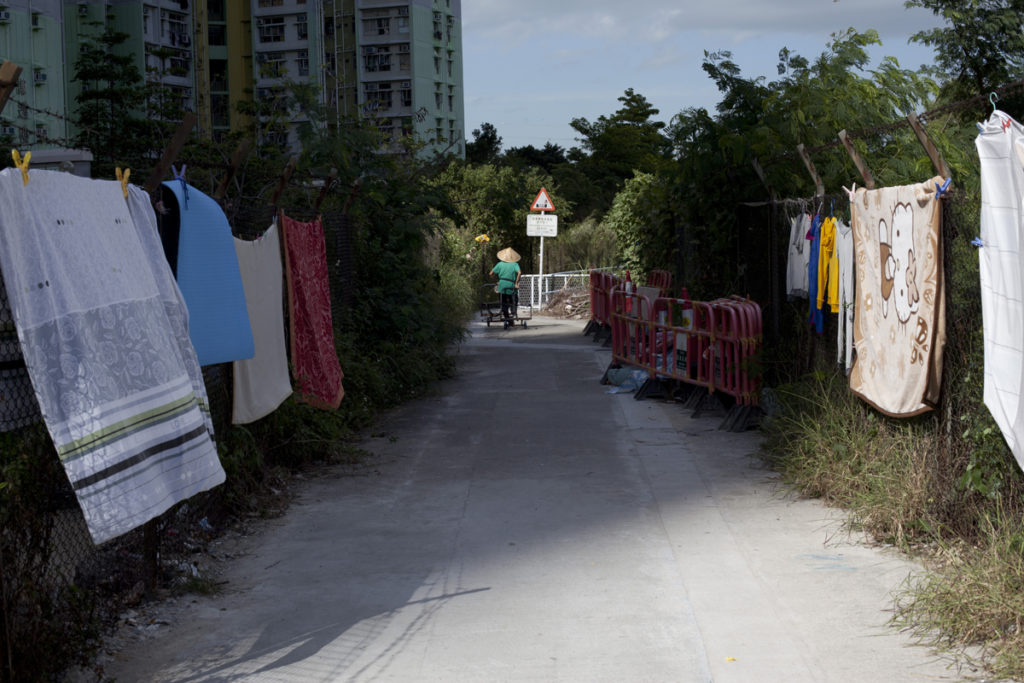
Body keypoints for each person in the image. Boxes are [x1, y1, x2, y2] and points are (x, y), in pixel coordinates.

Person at [490, 247, 521, 327]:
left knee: (503, 302)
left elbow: (491, 273)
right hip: (511, 285)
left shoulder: (500, 264)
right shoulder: (515, 264)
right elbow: (519, 272)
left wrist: (497, 281)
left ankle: (507, 317)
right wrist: (516, 283)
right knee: (513, 300)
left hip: (502, 285)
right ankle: (513, 314)